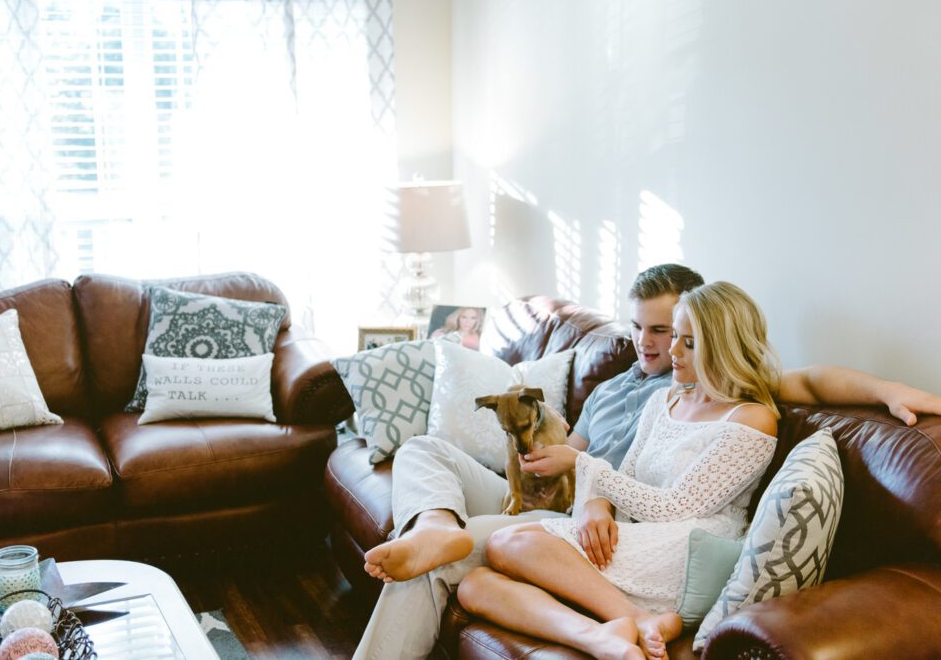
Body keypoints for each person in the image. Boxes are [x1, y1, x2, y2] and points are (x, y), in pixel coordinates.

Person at [355, 264, 941, 660]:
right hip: (587, 509)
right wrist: (586, 488)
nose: (653, 344)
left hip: (651, 530)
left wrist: (887, 390)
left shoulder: (741, 407)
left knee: (474, 558)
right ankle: (442, 528)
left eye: (674, 334)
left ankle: (450, 542)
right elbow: (606, 466)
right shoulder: (645, 390)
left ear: (713, 341)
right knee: (436, 484)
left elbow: (806, 383)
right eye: (643, 329)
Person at [457, 281, 779, 659]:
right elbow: (624, 475)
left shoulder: (751, 419)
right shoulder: (665, 399)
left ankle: (636, 618)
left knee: (505, 544)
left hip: (686, 545)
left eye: (689, 343)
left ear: (724, 349)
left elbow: (674, 507)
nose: (673, 350)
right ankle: (603, 637)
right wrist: (597, 503)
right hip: (635, 530)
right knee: (474, 585)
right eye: (676, 336)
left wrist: (581, 463)